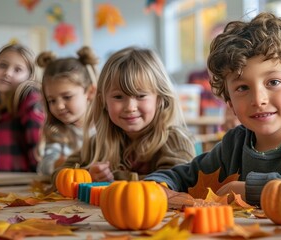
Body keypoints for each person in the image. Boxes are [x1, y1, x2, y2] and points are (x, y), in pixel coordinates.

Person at [144, 12, 281, 208]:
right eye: (242, 88)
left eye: (273, 82)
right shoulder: (234, 145)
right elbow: (184, 175)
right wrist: (154, 187)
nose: (258, 99)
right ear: (229, 102)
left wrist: (253, 189)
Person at [52, 46, 196, 184]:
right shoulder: (98, 144)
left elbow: (176, 182)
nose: (130, 107)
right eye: (119, 97)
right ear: (103, 101)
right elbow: (59, 175)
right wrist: (87, 175)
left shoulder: (174, 140)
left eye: (140, 95)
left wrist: (116, 179)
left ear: (160, 99)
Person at [0, 43, 45, 172]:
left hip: (22, 187)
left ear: (29, 76)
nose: (7, 73)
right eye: (3, 65)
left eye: (18, 69)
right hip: (1, 185)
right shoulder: (1, 112)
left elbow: (38, 153)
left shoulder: (31, 102)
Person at [36, 46, 98, 176]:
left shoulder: (105, 127)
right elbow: (44, 166)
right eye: (52, 100)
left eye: (67, 97)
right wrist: (63, 164)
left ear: (90, 92)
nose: (59, 106)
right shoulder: (57, 132)